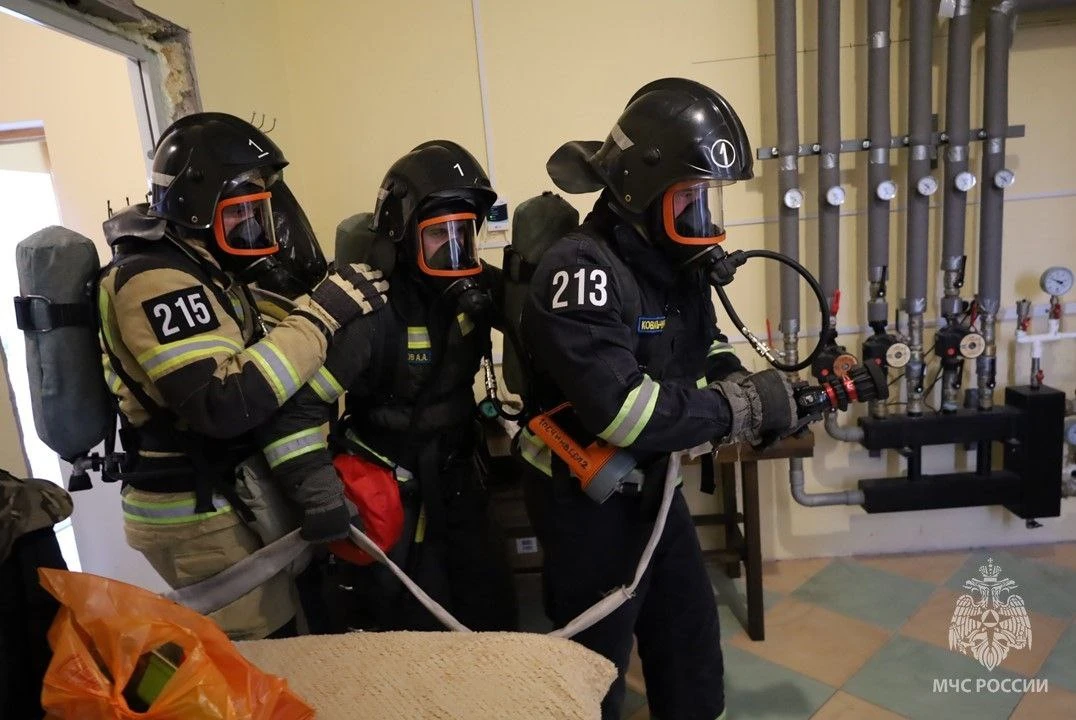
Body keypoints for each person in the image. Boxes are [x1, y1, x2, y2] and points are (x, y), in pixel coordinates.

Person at [516, 78, 801, 719]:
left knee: (688, 640)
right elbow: (625, 414)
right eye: (689, 199)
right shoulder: (580, 271)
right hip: (583, 495)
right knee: (592, 666)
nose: (704, 221)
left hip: (653, 488)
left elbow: (705, 350)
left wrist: (742, 385)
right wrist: (740, 408)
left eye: (707, 200)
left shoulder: (672, 264)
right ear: (639, 192)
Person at [98, 111, 389, 640]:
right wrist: (320, 315)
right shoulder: (155, 279)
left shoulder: (203, 270)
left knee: (294, 633)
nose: (256, 228)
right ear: (195, 209)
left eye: (259, 211)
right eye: (241, 212)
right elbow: (225, 402)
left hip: (227, 496)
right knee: (258, 656)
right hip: (198, 513)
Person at [261, 140, 518, 633]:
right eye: (438, 233)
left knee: (492, 612)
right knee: (415, 630)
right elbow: (298, 410)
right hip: (393, 495)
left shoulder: (478, 287)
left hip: (462, 480)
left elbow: (545, 328)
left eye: (464, 232)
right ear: (401, 238)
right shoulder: (371, 313)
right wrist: (321, 497)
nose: (454, 249)